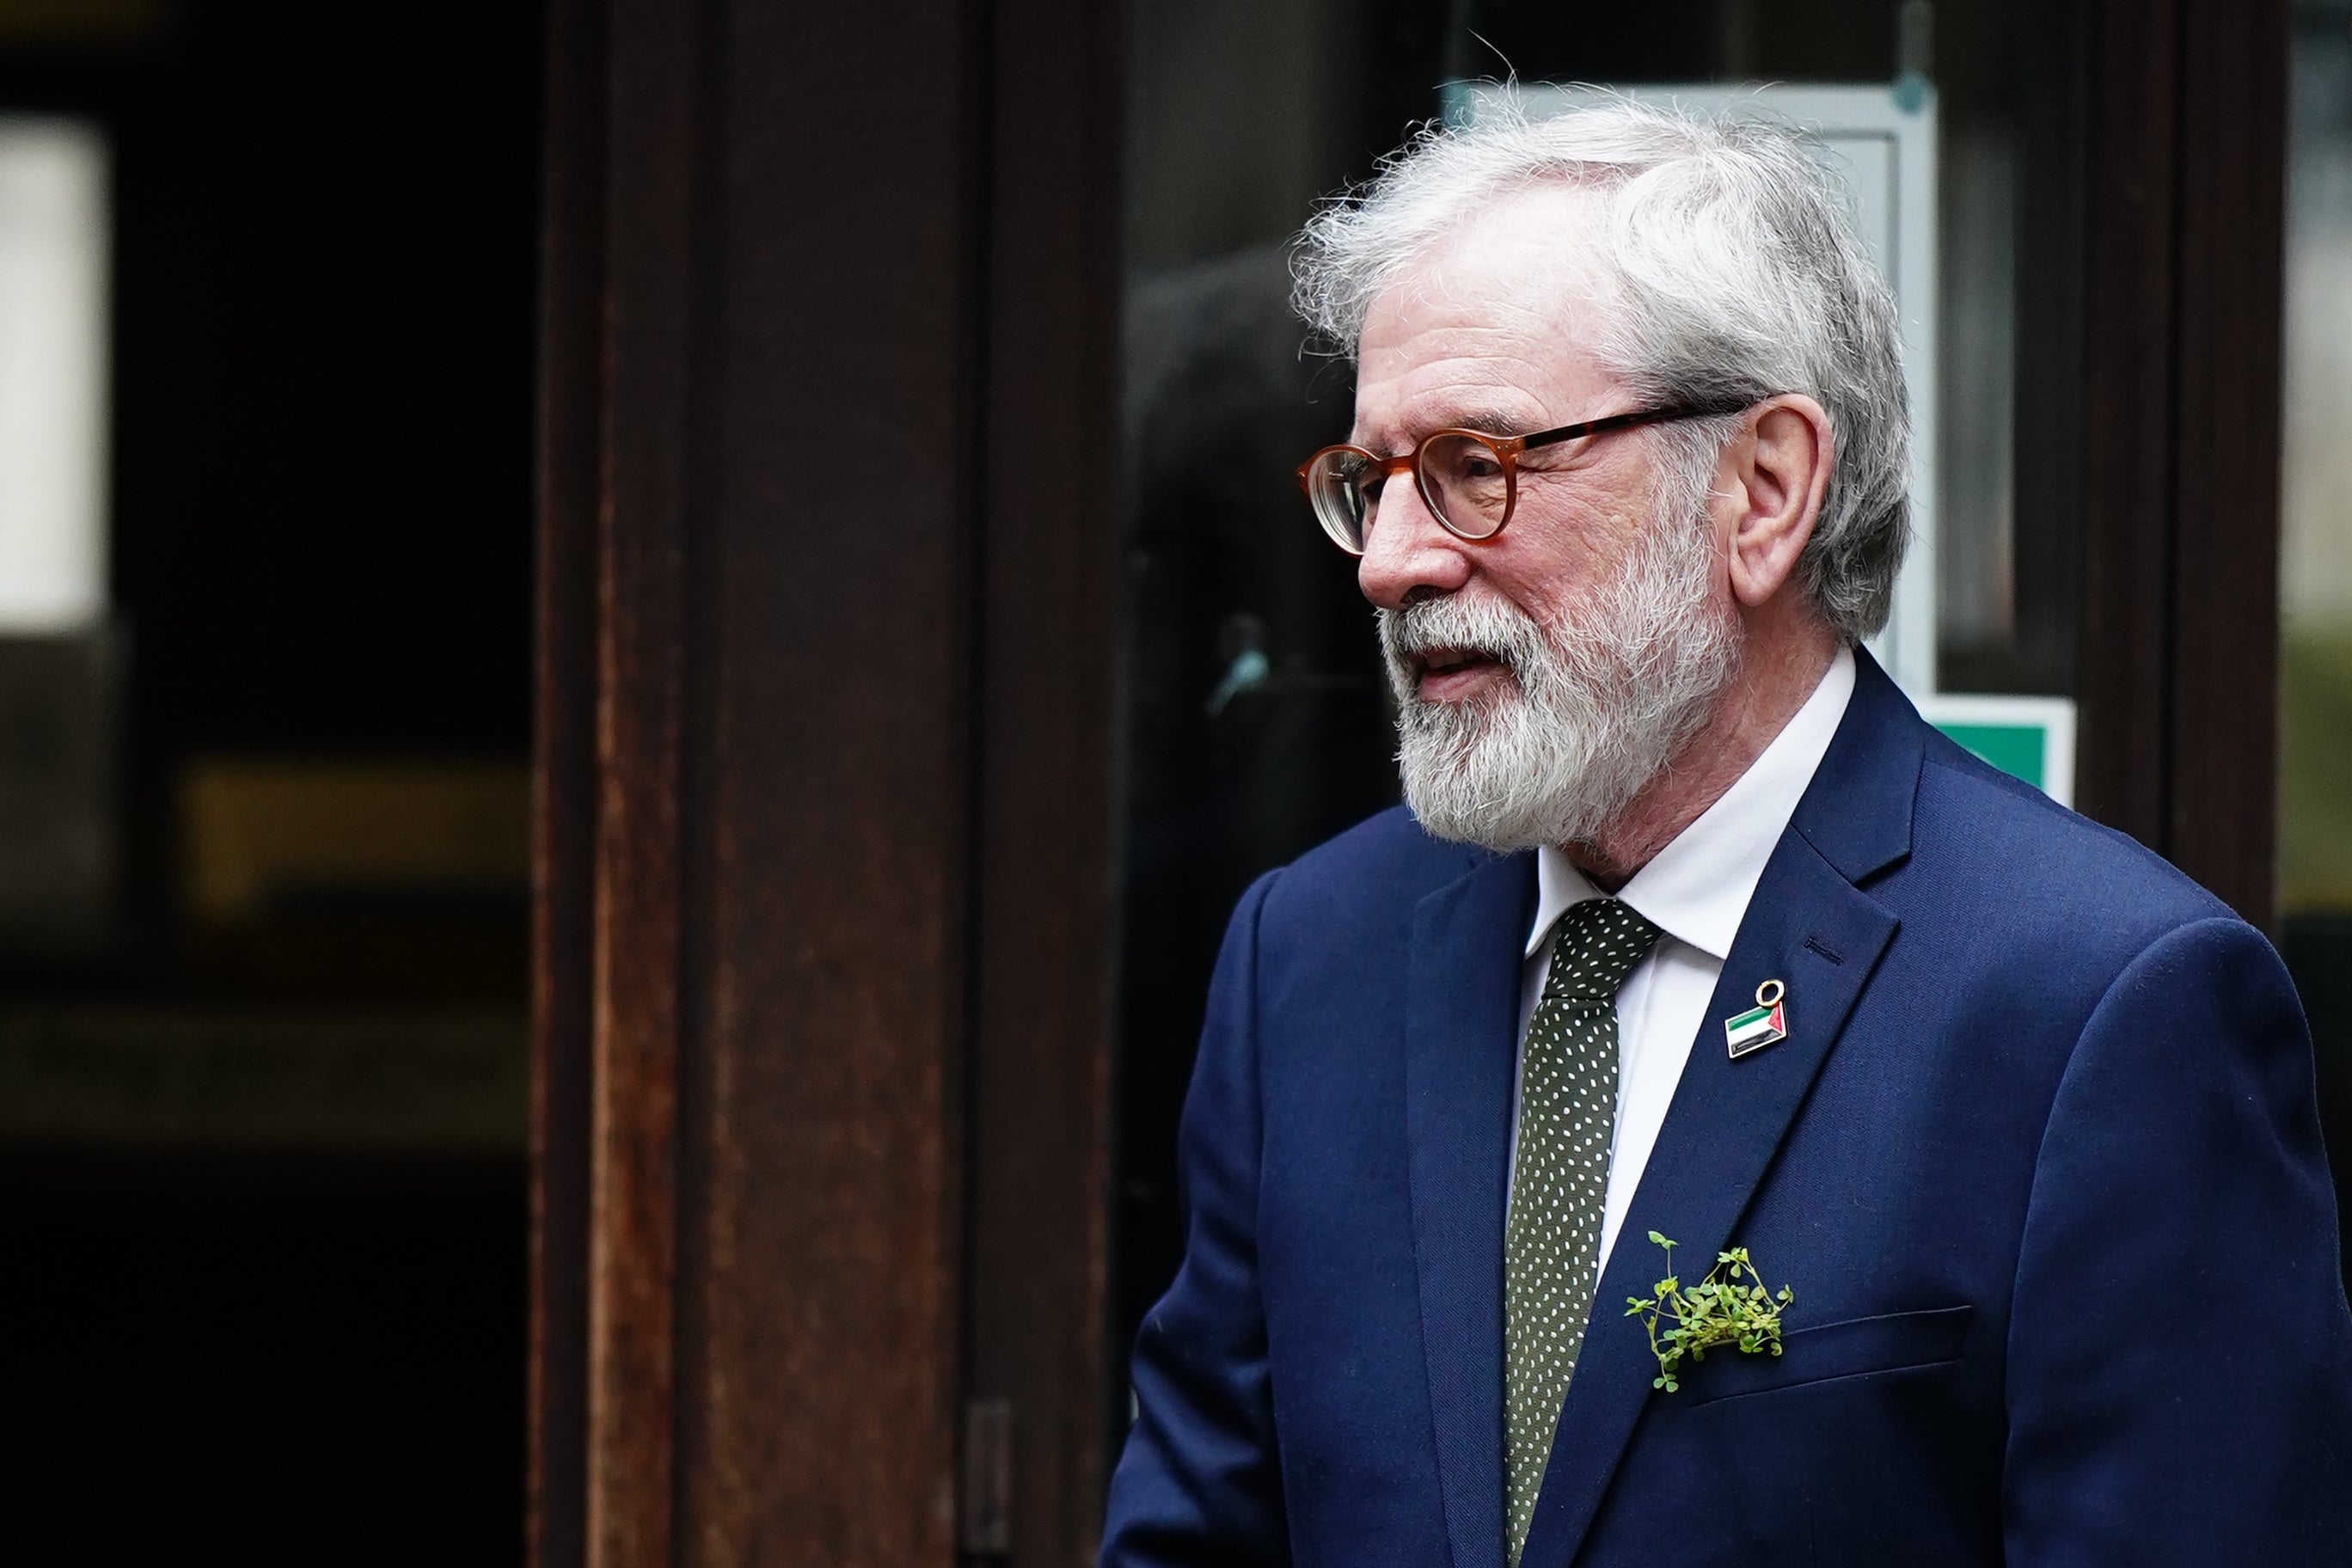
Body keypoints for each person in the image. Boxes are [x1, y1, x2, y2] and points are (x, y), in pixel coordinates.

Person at [1098, 97, 2352, 1567]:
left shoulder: (2100, 1012)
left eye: (1474, 468)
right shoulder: (1311, 960)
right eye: (1370, 485)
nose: (1388, 564)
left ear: (1761, 492)